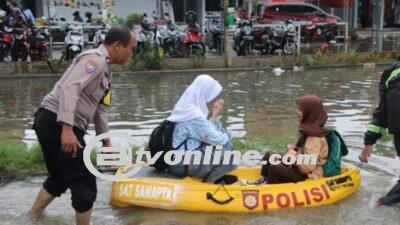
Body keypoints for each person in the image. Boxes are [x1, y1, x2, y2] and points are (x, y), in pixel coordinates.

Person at [27, 26, 137, 225]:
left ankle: (32, 217)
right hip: (57, 122)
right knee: (85, 182)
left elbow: (100, 109)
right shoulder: (94, 60)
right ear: (118, 46)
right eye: (131, 48)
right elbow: (70, 87)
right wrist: (67, 129)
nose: (132, 53)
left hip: (52, 122)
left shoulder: (106, 70)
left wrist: (106, 142)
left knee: (60, 177)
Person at [166, 75, 236, 183]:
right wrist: (230, 134)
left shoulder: (185, 107)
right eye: (209, 92)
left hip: (173, 160)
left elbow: (202, 132)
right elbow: (219, 139)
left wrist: (214, 114)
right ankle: (209, 183)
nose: (209, 97)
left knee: (216, 146)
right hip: (180, 164)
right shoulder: (193, 115)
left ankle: (211, 176)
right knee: (228, 149)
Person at [255, 95, 329, 184]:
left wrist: (294, 157)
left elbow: (309, 167)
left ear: (310, 113)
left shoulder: (315, 139)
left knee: (275, 168)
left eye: (301, 110)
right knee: (269, 155)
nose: (297, 112)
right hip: (298, 168)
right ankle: (263, 181)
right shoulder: (308, 131)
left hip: (307, 175)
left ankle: (269, 190)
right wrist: (291, 151)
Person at [360, 60, 400, 207]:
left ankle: (382, 204)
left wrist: (369, 141)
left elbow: (382, 111)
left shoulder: (390, 72)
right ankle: (382, 204)